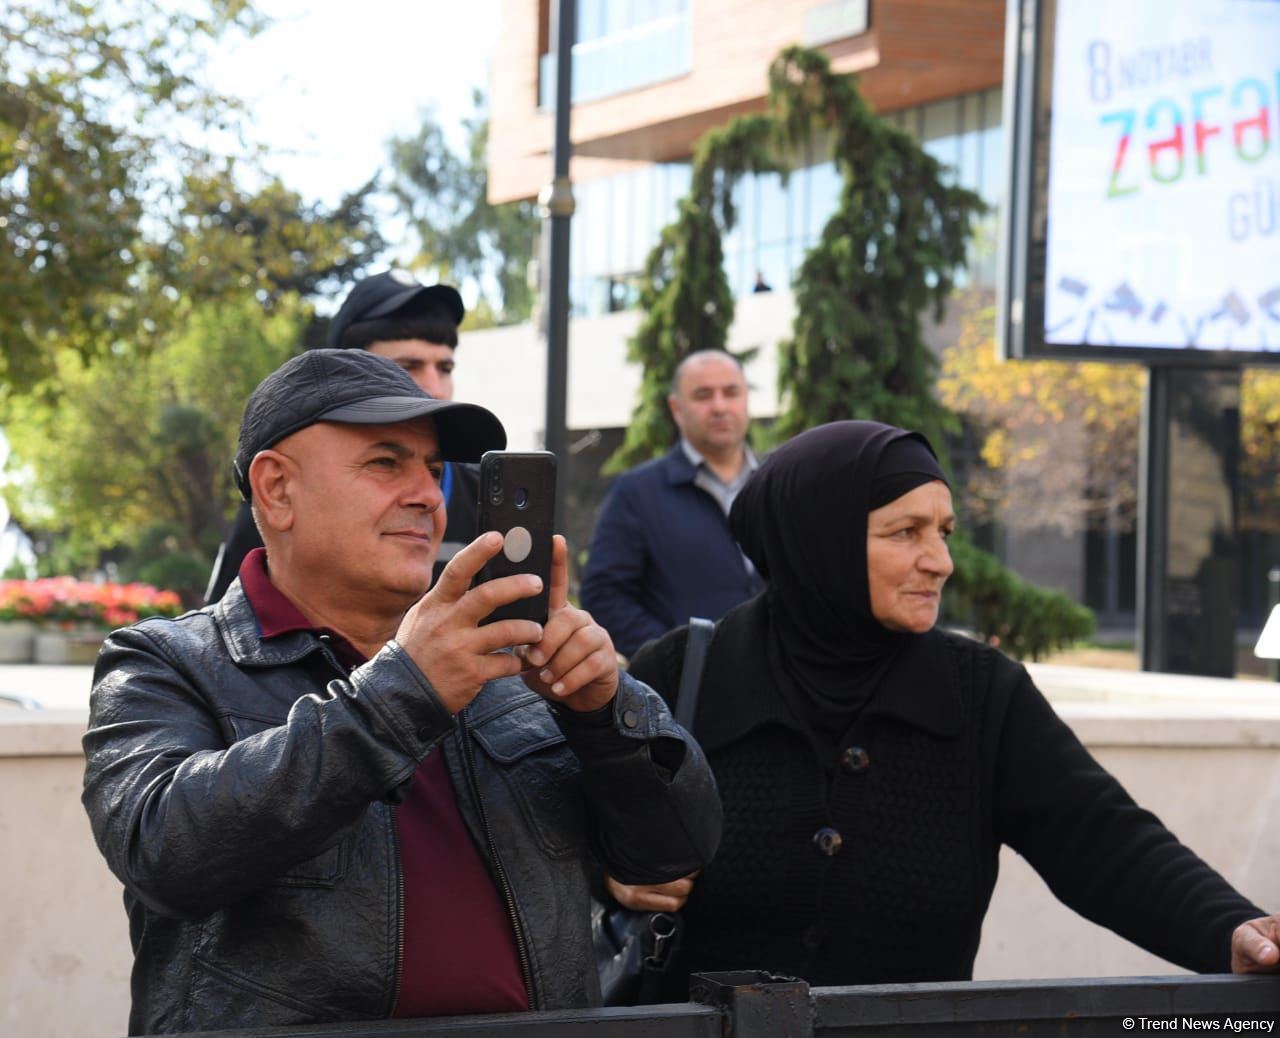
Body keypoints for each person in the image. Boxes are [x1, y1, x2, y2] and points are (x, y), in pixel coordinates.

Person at [83, 349, 721, 1034]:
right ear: (276, 489)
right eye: (386, 462)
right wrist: (404, 690)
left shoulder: (513, 663)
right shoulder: (162, 661)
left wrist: (604, 710)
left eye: (434, 468)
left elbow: (677, 848)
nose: (428, 494)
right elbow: (165, 850)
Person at [611, 419, 1280, 995]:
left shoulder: (981, 694)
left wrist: (1231, 928)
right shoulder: (677, 675)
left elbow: (1104, 841)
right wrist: (611, 870)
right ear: (818, 540)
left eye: (945, 531)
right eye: (906, 532)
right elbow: (556, 829)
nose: (941, 561)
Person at [205, 269, 479, 603]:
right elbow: (224, 639)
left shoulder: (487, 495)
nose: (433, 388)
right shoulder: (286, 500)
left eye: (445, 368)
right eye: (407, 368)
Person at [579, 350, 764, 658]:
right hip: (688, 696)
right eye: (703, 395)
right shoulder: (636, 493)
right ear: (677, 408)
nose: (719, 406)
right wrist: (680, 659)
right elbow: (604, 598)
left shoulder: (777, 483)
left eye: (731, 392)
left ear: (746, 398)